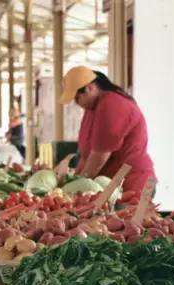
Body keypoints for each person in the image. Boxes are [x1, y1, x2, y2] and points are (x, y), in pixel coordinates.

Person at [59, 65, 155, 194]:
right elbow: (85, 156)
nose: (78, 104)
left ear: (90, 88)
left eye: (77, 98)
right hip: (111, 186)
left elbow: (98, 157)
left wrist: (74, 191)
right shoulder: (93, 108)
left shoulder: (112, 105)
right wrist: (73, 183)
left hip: (132, 184)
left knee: (129, 214)